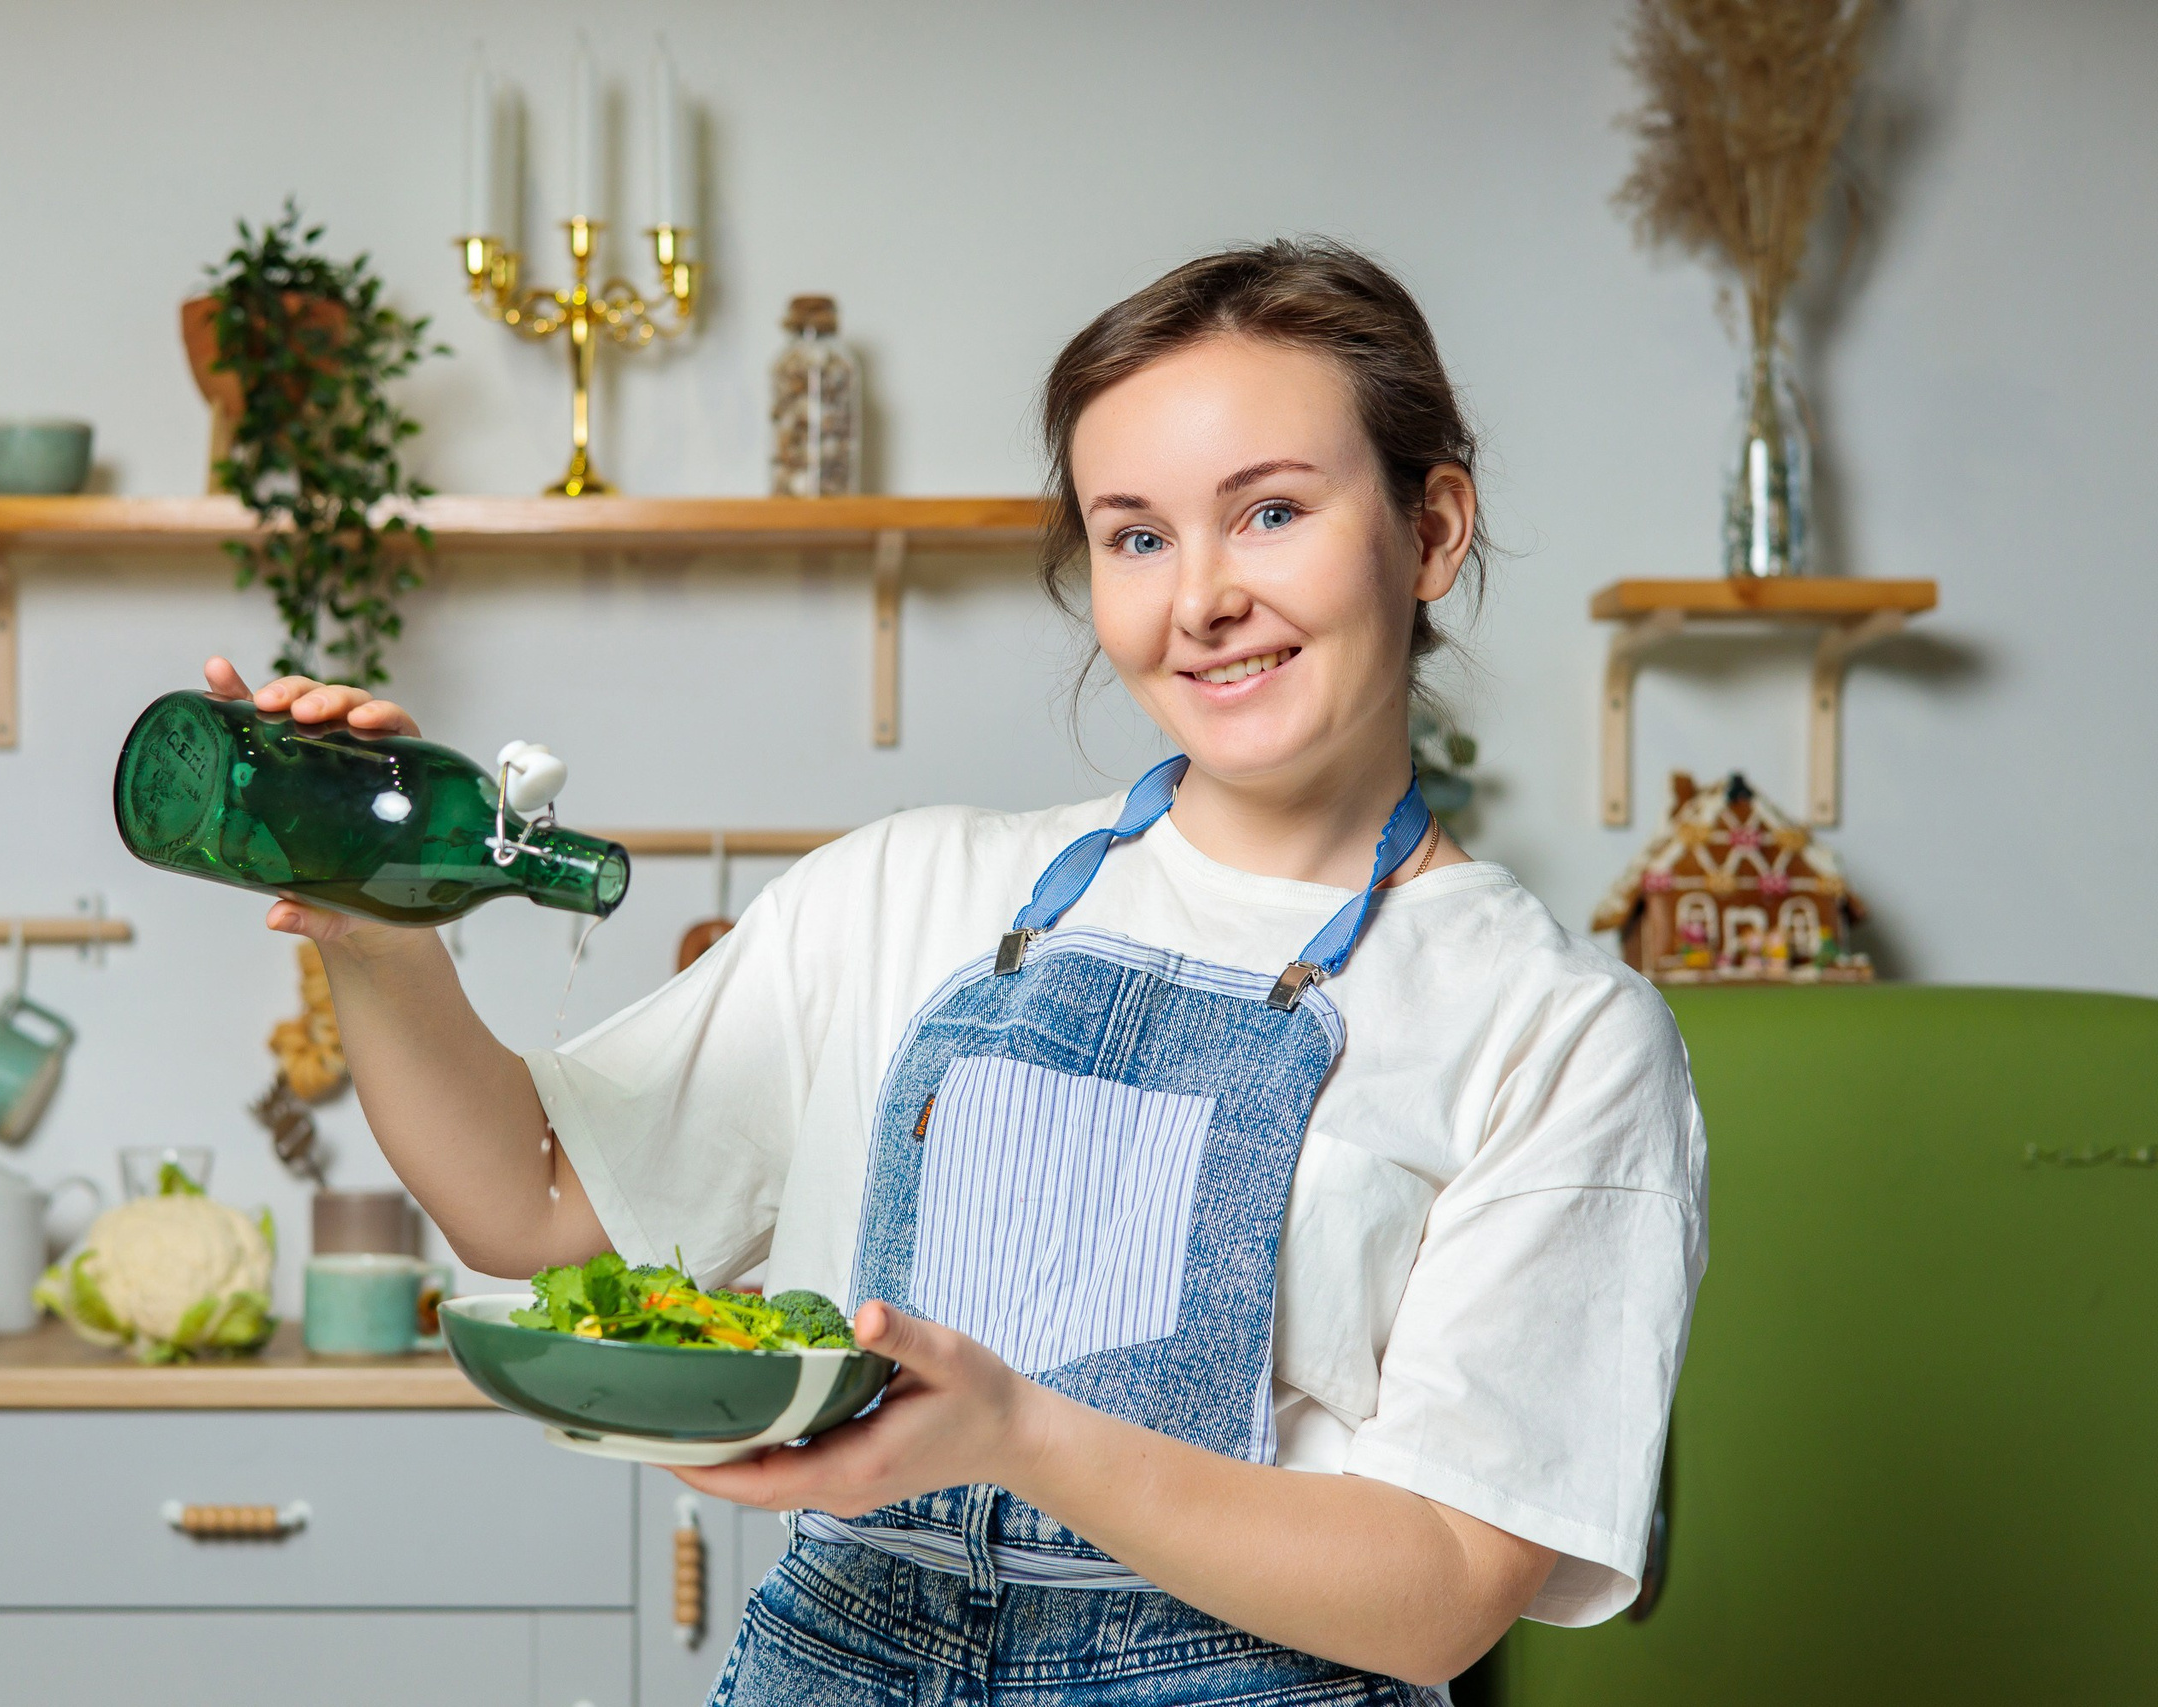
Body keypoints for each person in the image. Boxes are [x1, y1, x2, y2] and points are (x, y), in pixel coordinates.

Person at [204, 238, 1705, 1704]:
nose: (1199, 601)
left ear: (1432, 529)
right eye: (1136, 535)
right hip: (833, 1655)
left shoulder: (1554, 1034)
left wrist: (1016, 1434)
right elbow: (530, 1201)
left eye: (1268, 514)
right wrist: (377, 930)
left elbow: (1442, 1590)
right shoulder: (909, 886)